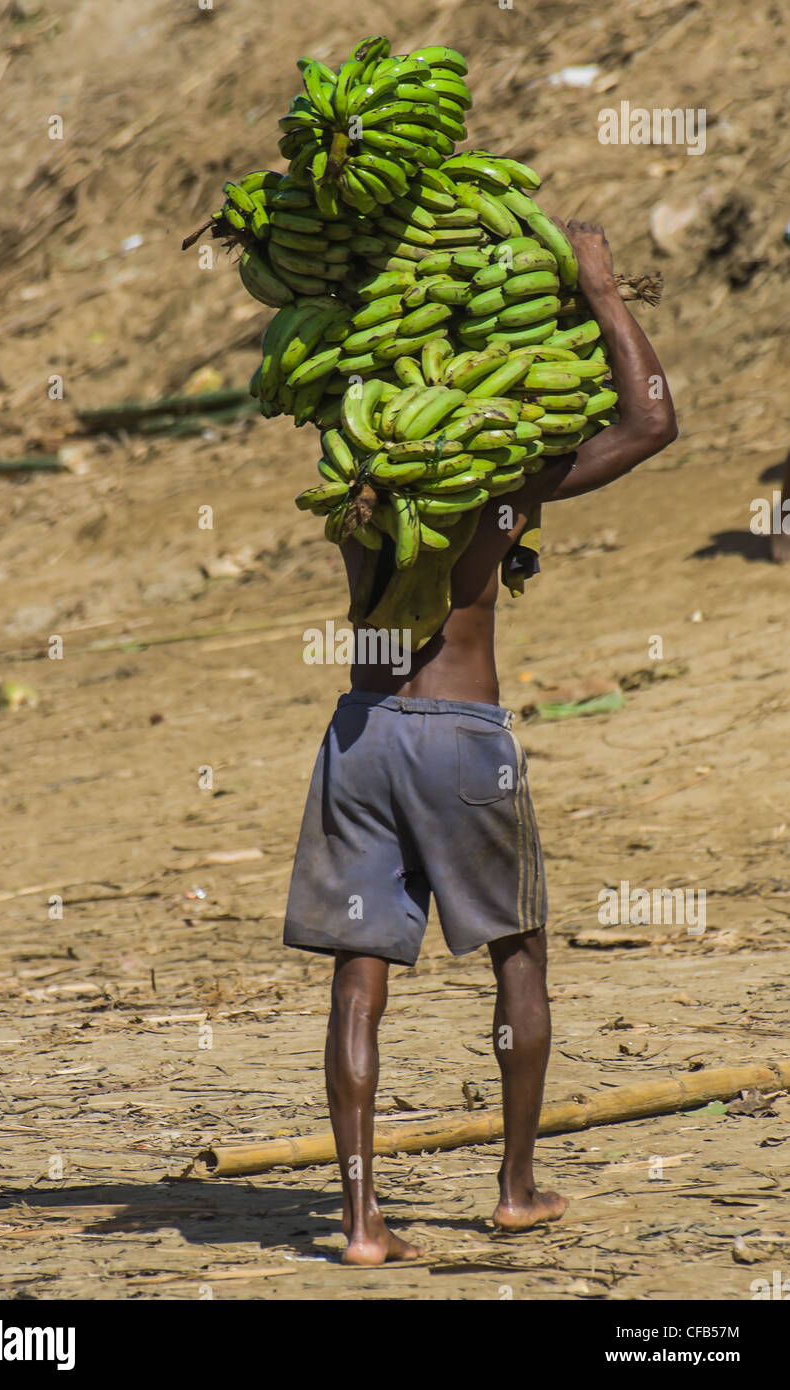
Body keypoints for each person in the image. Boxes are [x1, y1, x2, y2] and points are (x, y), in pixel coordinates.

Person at [283, 221, 678, 1265]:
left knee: (359, 975)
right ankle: (513, 1186)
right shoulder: (505, 482)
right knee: (517, 956)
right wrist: (598, 291)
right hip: (461, 738)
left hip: (360, 735)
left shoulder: (361, 461)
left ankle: (360, 1221)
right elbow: (648, 422)